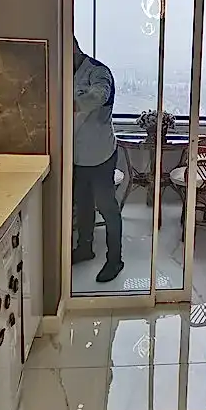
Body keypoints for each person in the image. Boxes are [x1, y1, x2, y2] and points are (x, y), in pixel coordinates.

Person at [72, 38, 124, 283]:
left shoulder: (98, 71)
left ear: (72, 48)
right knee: (83, 205)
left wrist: (68, 103)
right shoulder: (64, 72)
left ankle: (115, 259)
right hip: (76, 155)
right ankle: (85, 248)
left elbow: (99, 95)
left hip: (101, 155)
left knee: (107, 207)